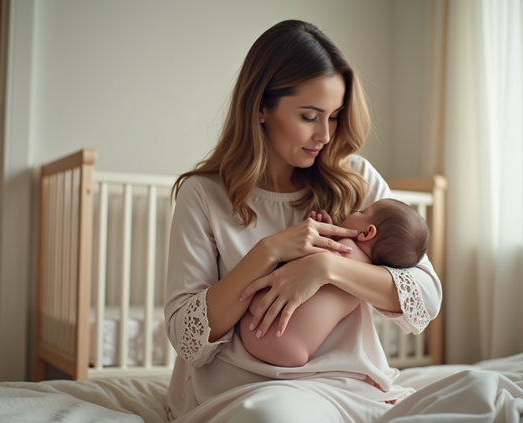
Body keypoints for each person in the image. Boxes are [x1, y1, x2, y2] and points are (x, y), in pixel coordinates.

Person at [164, 19, 442, 423]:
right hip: (246, 390)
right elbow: (187, 337)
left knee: (481, 392)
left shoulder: (356, 181)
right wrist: (269, 251)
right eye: (310, 116)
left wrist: (327, 267)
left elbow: (426, 295)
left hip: (349, 387)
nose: (326, 136)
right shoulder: (203, 195)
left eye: (333, 117)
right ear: (261, 106)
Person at [240, 199, 430, 367]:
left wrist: (320, 235)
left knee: (256, 296)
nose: (354, 211)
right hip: (296, 353)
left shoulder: (345, 247)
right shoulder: (364, 281)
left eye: (363, 212)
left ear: (367, 233)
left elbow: (303, 256)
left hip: (262, 332)